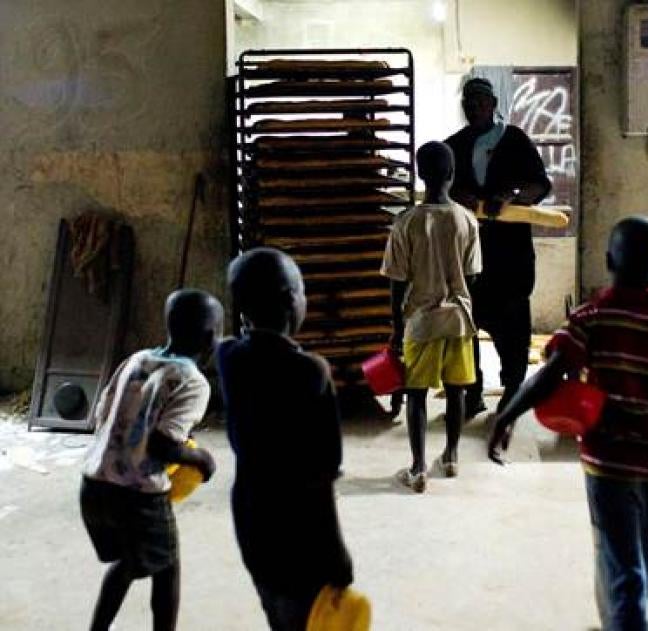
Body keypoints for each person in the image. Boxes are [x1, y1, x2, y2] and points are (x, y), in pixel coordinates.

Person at [488, 217, 648, 631]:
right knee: (642, 549)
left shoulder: (593, 319)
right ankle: (620, 620)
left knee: (619, 561)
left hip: (610, 461)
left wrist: (507, 414)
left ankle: (627, 622)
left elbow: (551, 374)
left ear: (608, 260)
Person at [217, 248, 353, 630]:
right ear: (290, 299)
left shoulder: (228, 356)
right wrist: (337, 552)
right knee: (303, 613)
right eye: (302, 290)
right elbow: (322, 477)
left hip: (250, 515)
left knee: (274, 605)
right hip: (298, 527)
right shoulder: (311, 373)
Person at [80, 289, 222, 631]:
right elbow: (163, 445)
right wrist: (200, 458)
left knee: (130, 562)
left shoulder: (136, 359)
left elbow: (102, 415)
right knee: (167, 567)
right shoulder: (193, 382)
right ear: (210, 338)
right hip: (138, 497)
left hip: (94, 485)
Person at [444, 77, 551, 418]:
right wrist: (456, 194)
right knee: (466, 327)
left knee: (513, 329)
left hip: (510, 256)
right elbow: (440, 184)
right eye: (468, 102)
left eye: (480, 101)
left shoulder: (515, 140)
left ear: (493, 105)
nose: (474, 107)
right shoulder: (454, 146)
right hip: (468, 255)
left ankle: (512, 392)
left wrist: (511, 196)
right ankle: (472, 391)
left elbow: (540, 184)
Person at [381, 140, 481, 493]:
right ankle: (451, 457)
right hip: (458, 319)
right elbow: (471, 278)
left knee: (416, 394)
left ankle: (418, 467)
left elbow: (396, 282)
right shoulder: (466, 220)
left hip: (421, 321)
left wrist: (397, 328)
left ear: (419, 173)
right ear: (452, 173)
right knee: (456, 391)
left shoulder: (406, 222)